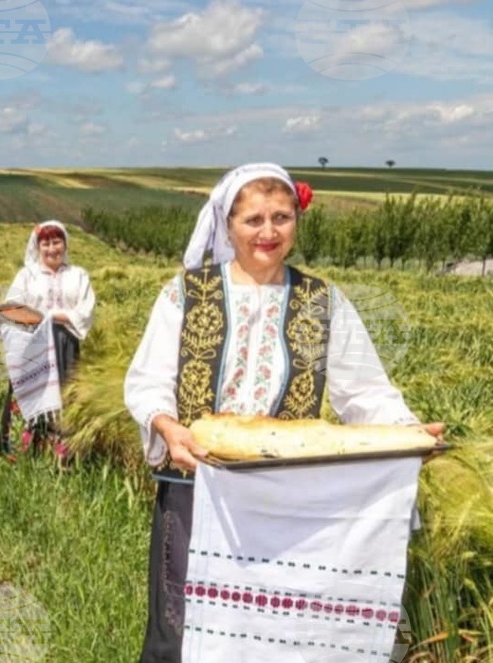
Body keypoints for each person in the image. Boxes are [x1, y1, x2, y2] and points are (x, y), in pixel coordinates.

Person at [123, 163, 444, 663]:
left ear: (297, 220)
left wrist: (407, 436)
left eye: (281, 217)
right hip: (198, 492)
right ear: (227, 225)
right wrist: (168, 428)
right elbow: (147, 382)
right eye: (253, 220)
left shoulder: (322, 301)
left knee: (273, 631)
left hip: (290, 501)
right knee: (182, 630)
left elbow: (366, 392)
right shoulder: (185, 295)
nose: (268, 232)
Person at [0, 220, 95, 461]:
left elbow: (86, 310)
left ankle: (61, 456)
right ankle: (23, 451)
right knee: (32, 390)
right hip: (32, 343)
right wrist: (36, 321)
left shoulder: (77, 275)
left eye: (57, 242)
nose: (52, 249)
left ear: (65, 244)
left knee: (63, 394)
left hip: (65, 343)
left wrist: (51, 316)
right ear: (37, 246)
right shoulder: (27, 275)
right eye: (46, 243)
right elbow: (11, 309)